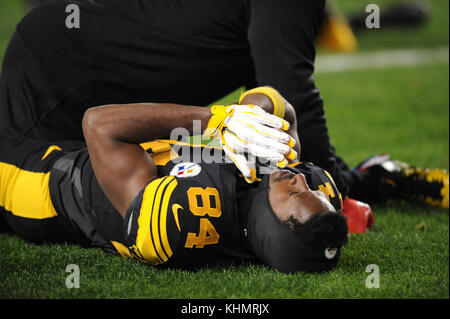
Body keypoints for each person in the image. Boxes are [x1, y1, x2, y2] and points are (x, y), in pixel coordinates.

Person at [0, 0, 349, 196]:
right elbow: (288, 91)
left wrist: (340, 171)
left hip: (68, 55)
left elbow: (268, 95)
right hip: (57, 70)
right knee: (30, 198)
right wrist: (336, 186)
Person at [0, 88, 349, 274]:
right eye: (312, 191)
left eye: (295, 195)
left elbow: (98, 125)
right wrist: (253, 113)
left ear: (276, 230)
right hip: (104, 151)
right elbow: (278, 107)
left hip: (46, 184)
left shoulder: (177, 224)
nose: (299, 180)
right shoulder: (292, 185)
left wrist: (220, 120)